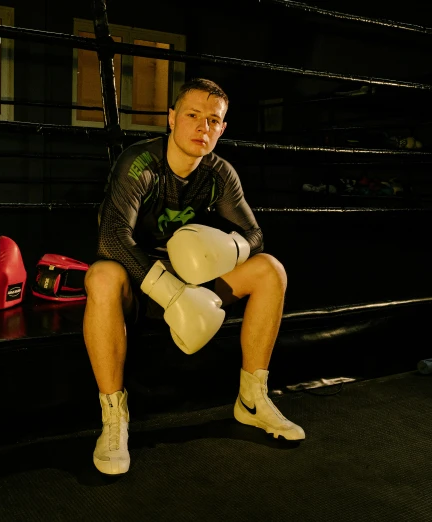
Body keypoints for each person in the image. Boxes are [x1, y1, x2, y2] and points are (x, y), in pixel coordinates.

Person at [84, 78, 304, 475]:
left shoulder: (220, 174)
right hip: (140, 287)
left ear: (222, 128)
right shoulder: (140, 164)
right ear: (171, 118)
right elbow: (111, 237)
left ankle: (252, 399)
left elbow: (255, 235)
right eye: (193, 116)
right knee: (101, 276)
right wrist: (170, 293)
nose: (203, 127)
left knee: (270, 269)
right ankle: (114, 418)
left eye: (213, 120)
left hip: (192, 287)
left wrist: (228, 249)